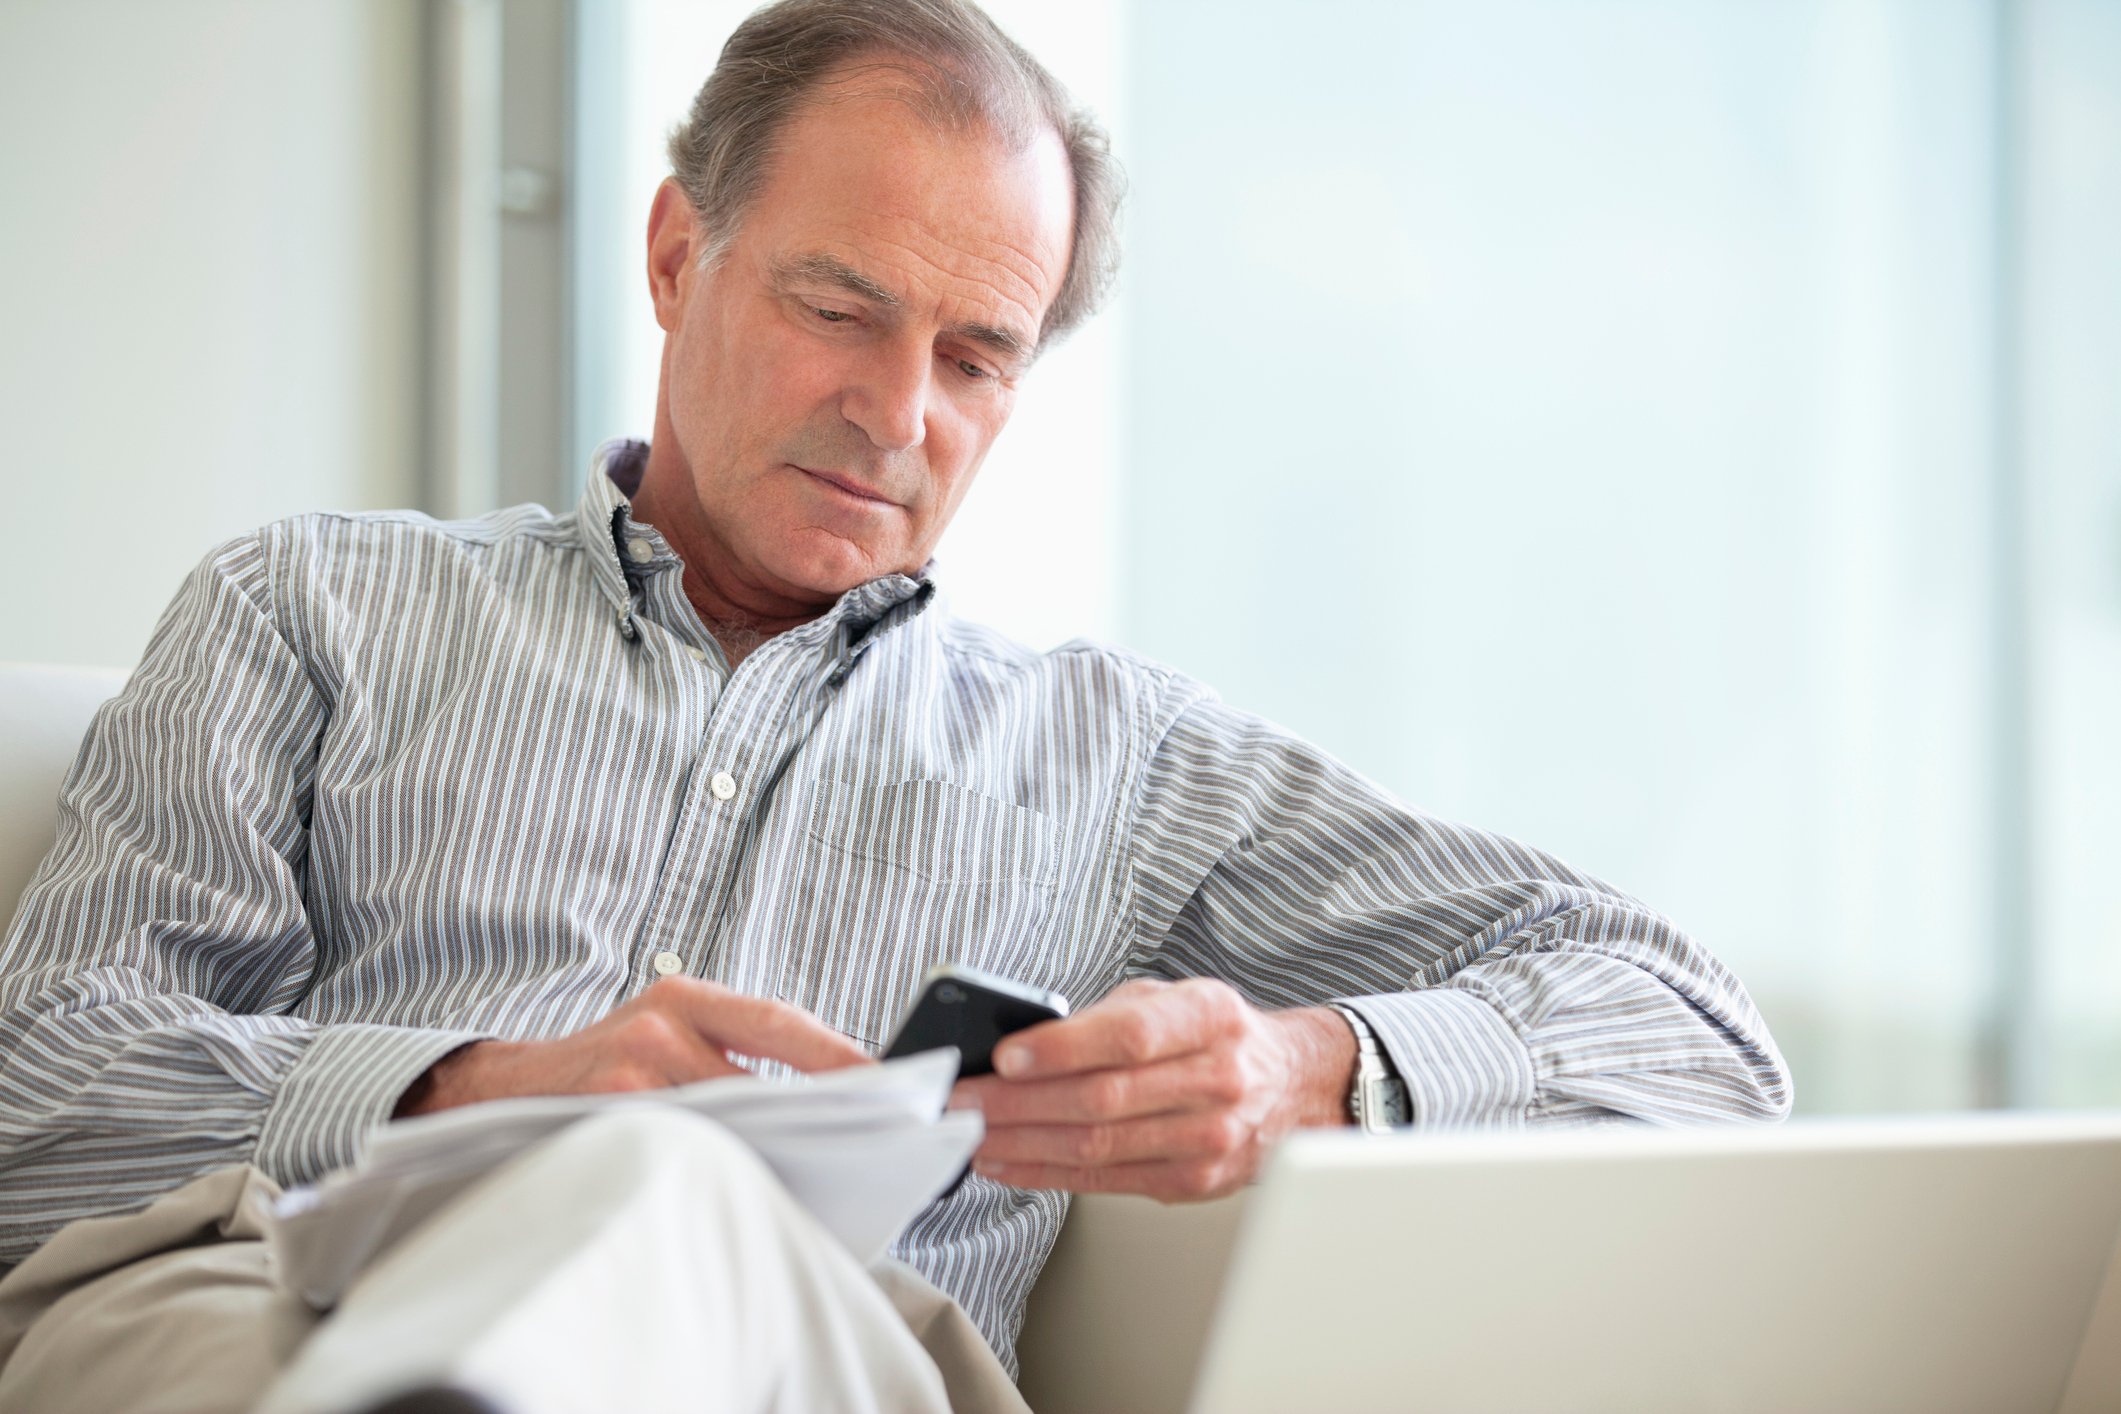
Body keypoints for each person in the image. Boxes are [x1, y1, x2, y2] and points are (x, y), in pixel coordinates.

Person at [0, 0, 1791, 1409]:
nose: (897, 410)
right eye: (838, 307)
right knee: (608, 1194)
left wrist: (1305, 1064)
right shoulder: (313, 605)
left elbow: (1697, 1030)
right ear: (675, 255)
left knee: (687, 1203)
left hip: (801, 1361)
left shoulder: (1125, 758)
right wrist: (487, 1091)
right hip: (265, 1307)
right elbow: (37, 1087)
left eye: (975, 355)